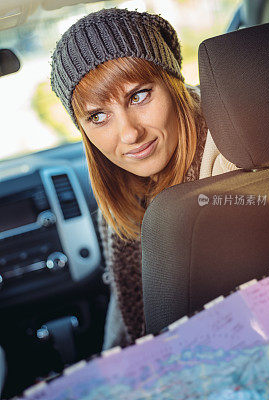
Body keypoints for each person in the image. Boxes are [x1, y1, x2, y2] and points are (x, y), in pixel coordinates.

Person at [50, 7, 236, 350]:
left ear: (173, 83)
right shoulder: (122, 189)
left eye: (138, 95)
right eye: (98, 116)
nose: (130, 134)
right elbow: (124, 314)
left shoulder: (231, 158)